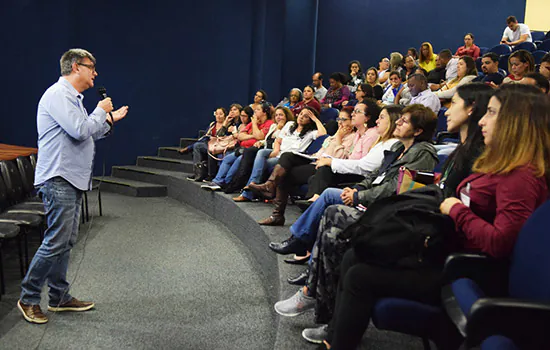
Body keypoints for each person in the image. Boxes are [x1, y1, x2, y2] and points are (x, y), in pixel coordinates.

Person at [318, 84, 550, 350]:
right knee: (356, 252)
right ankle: (333, 336)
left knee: (359, 268)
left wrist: (454, 208)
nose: (483, 120)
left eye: (492, 113)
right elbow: (458, 192)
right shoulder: (490, 161)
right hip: (448, 249)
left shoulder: (518, 175)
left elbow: (497, 240)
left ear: (515, 122)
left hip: (462, 266)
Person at [276, 85, 492, 340]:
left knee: (336, 227)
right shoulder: (420, 150)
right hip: (404, 214)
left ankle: (317, 296)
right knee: (333, 215)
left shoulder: (433, 152)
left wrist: (360, 195)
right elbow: (383, 179)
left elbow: (404, 191)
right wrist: (359, 190)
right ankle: (314, 291)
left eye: (453, 103)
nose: (447, 111)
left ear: (470, 108)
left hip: (417, 227)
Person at [17, 48, 129, 324]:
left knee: (65, 241)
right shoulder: (58, 95)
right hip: (59, 178)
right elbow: (80, 130)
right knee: (56, 240)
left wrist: (108, 120)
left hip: (70, 178)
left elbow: (86, 133)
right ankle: (28, 297)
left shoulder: (73, 99)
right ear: (77, 66)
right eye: (92, 67)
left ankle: (58, 297)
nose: (95, 73)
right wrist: (101, 112)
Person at [268, 104, 438, 258]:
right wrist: (357, 189)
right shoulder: (398, 147)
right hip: (370, 197)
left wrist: (359, 196)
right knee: (325, 195)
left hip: (387, 208)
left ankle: (300, 244)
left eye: (404, 121)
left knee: (328, 199)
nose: (398, 123)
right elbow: (376, 174)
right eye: (399, 119)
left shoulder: (423, 154)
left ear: (418, 131)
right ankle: (308, 258)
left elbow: (396, 188)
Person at [245, 107, 357, 225]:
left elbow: (340, 158)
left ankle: (271, 193)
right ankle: (275, 209)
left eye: (344, 119)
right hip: (315, 161)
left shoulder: (352, 138)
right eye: (339, 119)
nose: (340, 122)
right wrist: (316, 155)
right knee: (286, 159)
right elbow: (322, 150)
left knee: (285, 167)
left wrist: (339, 138)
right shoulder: (333, 136)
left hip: (328, 168)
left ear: (352, 122)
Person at [293, 101, 382, 205]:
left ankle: (313, 201)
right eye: (353, 111)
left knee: (324, 169)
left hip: (357, 173)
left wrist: (331, 161)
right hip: (344, 166)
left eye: (357, 112)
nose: (353, 114)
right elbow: (327, 147)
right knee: (291, 163)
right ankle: (309, 201)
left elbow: (360, 164)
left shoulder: (370, 135)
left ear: (367, 118)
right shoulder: (359, 134)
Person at [233, 106, 325, 199]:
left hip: (290, 158)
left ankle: (249, 191)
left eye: (305, 116)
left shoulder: (311, 132)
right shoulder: (290, 124)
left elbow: (323, 134)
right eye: (301, 114)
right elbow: (278, 140)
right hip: (279, 152)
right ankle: (254, 184)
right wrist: (276, 151)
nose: (301, 117)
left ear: (310, 120)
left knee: (266, 163)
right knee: (261, 152)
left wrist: (315, 119)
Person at [201, 101, 273, 189]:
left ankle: (226, 183)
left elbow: (260, 136)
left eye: (258, 110)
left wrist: (254, 125)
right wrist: (253, 135)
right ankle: (217, 181)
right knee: (227, 158)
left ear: (264, 112)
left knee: (237, 161)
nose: (255, 112)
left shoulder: (268, 123)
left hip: (250, 152)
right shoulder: (253, 123)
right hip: (241, 148)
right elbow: (240, 136)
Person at [187, 107, 231, 182]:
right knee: (197, 146)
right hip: (210, 143)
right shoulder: (212, 124)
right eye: (216, 114)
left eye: (220, 114)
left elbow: (223, 137)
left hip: (220, 146)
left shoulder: (228, 125)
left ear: (225, 115)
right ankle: (198, 172)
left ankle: (211, 174)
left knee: (210, 150)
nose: (218, 116)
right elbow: (205, 136)